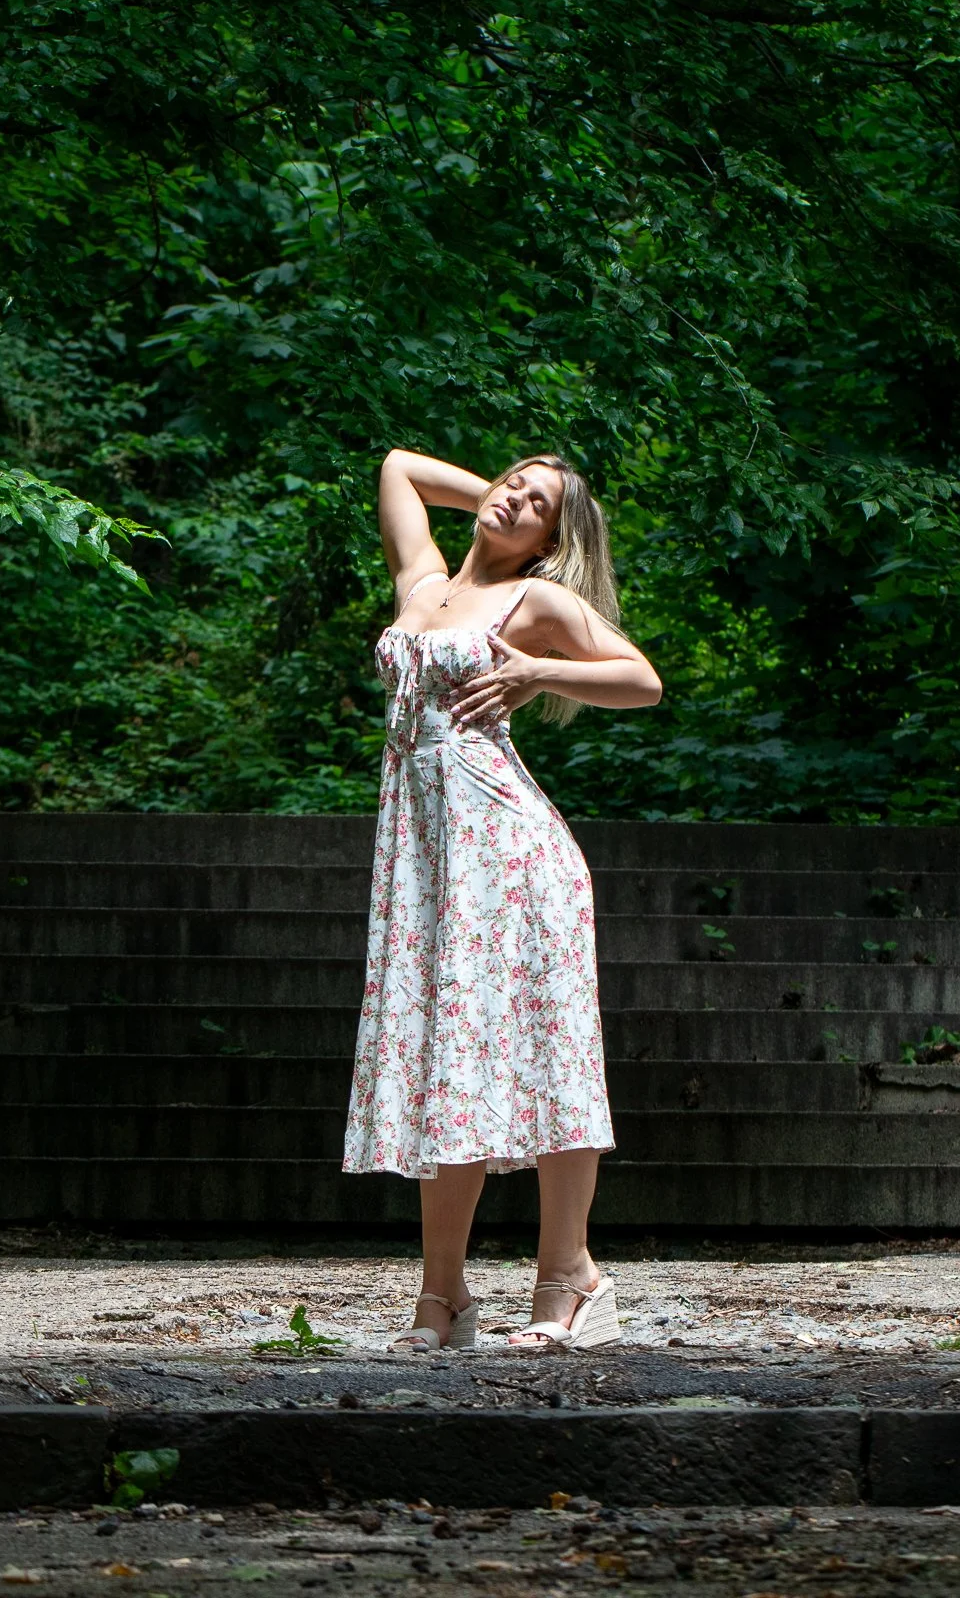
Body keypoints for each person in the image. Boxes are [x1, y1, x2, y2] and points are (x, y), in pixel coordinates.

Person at [342, 448, 662, 1353]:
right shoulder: (424, 581)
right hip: (431, 868)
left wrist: (537, 673)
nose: (513, 497)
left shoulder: (537, 603)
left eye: (536, 504)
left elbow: (641, 681)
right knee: (449, 1066)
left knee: (551, 1061)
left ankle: (568, 1280)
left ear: (549, 542)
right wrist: (496, 488)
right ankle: (440, 1301)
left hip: (515, 857)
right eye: (512, 482)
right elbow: (400, 467)